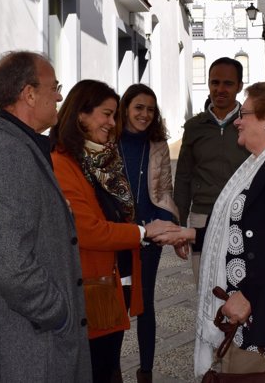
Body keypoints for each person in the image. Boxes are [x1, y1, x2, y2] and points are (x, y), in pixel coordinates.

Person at [156, 82, 265, 379]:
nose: (238, 119)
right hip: (242, 312)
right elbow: (241, 228)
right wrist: (192, 235)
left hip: (256, 319)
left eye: (245, 113)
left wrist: (248, 295)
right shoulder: (256, 165)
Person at [0, 51, 91, 382]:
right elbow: (11, 264)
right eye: (53, 86)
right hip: (26, 349)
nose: (60, 95)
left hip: (24, 343)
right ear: (28, 93)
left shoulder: (12, 145)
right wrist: (58, 314)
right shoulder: (7, 154)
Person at [50, 79, 180, 383]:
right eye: (106, 114)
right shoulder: (64, 162)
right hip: (90, 287)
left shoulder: (101, 158)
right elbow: (89, 231)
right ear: (81, 115)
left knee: (107, 362)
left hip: (111, 283)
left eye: (113, 114)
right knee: (96, 367)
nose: (112, 122)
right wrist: (144, 233)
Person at [116, 84, 180, 383]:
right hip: (116, 234)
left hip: (149, 234)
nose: (144, 114)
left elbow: (165, 189)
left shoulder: (157, 144)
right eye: (139, 107)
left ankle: (146, 371)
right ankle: (111, 370)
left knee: (145, 302)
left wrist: (164, 223)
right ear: (126, 108)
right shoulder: (108, 140)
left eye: (150, 109)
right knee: (115, 303)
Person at [173, 57, 250, 284]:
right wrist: (179, 226)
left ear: (239, 86)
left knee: (240, 285)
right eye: (214, 82)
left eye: (227, 83)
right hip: (202, 217)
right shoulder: (195, 127)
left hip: (242, 216)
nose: (220, 89)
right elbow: (184, 177)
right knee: (205, 285)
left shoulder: (249, 124)